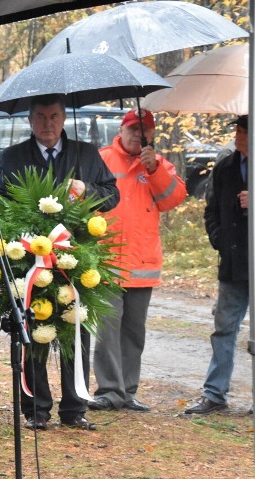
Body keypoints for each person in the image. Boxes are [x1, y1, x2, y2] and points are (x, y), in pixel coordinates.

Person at [0, 93, 119, 432]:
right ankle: (36, 408)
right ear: (30, 120)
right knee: (35, 328)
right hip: (28, 259)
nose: (48, 124)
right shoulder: (12, 157)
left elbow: (113, 194)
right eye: (41, 117)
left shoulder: (86, 154)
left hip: (76, 255)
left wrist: (87, 189)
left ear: (63, 119)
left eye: (54, 117)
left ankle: (75, 407)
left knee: (75, 327)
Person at [89, 110, 186, 413]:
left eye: (144, 130)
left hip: (142, 264)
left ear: (152, 135)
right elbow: (82, 197)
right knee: (107, 332)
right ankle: (109, 390)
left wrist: (154, 169)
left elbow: (173, 199)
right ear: (121, 129)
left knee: (133, 332)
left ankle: (128, 391)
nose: (137, 135)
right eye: (132, 129)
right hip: (107, 263)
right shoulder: (102, 158)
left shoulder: (159, 165)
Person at [185, 115, 249, 415]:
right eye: (236, 130)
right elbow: (210, 209)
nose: (237, 136)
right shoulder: (225, 165)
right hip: (234, 264)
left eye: (243, 131)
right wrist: (219, 240)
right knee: (224, 329)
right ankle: (215, 393)